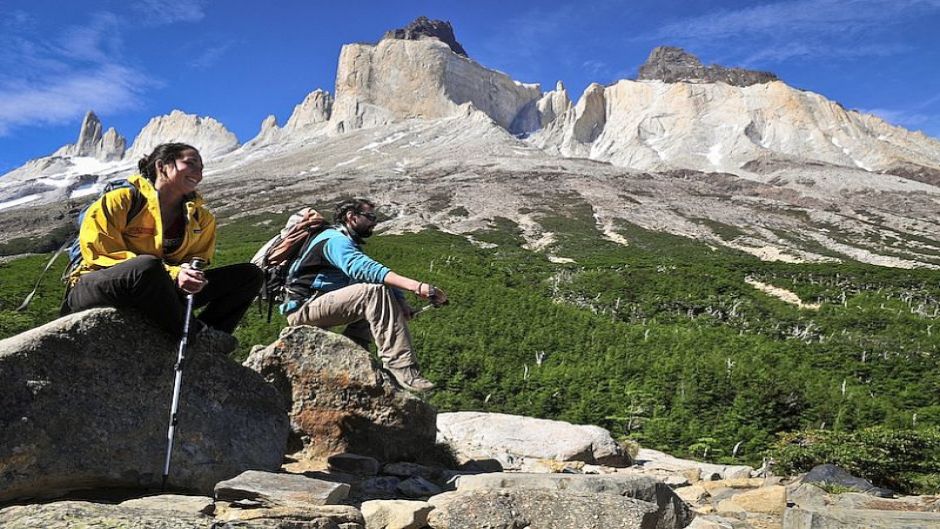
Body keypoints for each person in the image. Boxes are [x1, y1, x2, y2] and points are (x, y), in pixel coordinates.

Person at [64, 142, 262, 342]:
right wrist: (174, 274)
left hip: (160, 290)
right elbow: (101, 256)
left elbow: (197, 260)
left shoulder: (201, 218)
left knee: (249, 275)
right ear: (161, 166)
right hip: (97, 284)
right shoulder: (122, 200)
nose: (198, 173)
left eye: (201, 168)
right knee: (146, 266)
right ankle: (192, 333)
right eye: (191, 163)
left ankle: (211, 338)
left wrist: (191, 275)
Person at [281, 198, 447, 392]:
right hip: (303, 309)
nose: (374, 222)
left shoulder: (342, 240)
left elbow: (375, 276)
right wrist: (417, 287)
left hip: (315, 306)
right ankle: (402, 367)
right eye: (369, 217)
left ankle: (355, 352)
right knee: (373, 293)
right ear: (351, 217)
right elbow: (363, 269)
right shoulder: (334, 240)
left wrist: (402, 304)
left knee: (375, 291)